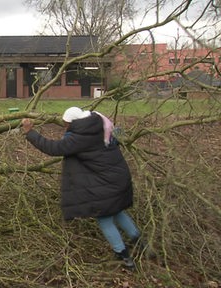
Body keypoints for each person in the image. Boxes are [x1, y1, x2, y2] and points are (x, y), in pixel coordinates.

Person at [20, 107, 145, 269]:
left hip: (108, 184)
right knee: (117, 212)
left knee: (104, 218)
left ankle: (124, 257)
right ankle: (142, 244)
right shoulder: (99, 125)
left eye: (66, 125)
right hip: (118, 178)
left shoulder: (80, 138)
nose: (65, 128)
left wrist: (30, 132)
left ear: (74, 123)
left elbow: (53, 148)